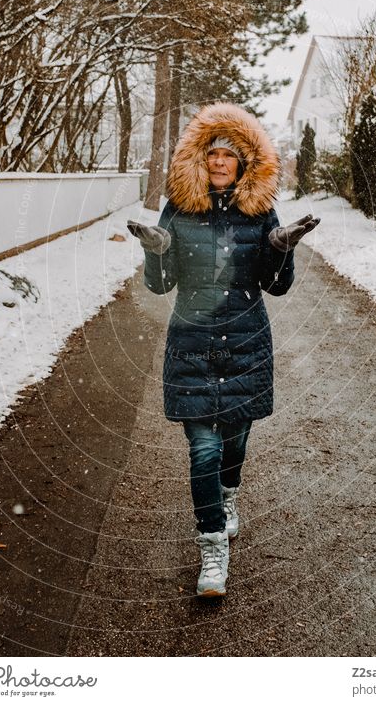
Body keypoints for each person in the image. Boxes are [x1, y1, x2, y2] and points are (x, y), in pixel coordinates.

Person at [128, 102, 319, 597]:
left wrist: (280, 249)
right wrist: (157, 252)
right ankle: (213, 546)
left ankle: (228, 495)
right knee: (203, 448)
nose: (218, 162)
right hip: (191, 342)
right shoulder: (179, 206)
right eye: (211, 153)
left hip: (246, 341)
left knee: (233, 439)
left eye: (228, 156)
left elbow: (274, 287)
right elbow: (161, 284)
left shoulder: (260, 211)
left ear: (243, 164)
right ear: (199, 159)